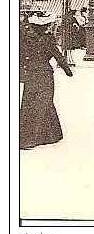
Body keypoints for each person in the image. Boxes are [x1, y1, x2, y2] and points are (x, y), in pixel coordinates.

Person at [20, 11, 73, 150]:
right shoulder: (47, 39)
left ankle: (51, 135)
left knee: (30, 103)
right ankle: (31, 139)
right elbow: (57, 55)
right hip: (44, 75)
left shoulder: (26, 39)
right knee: (44, 102)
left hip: (31, 75)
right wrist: (68, 70)